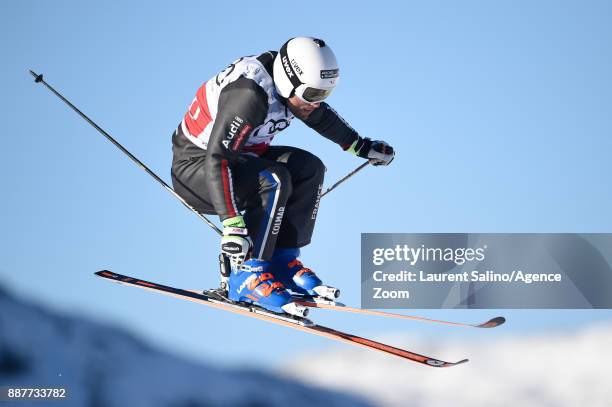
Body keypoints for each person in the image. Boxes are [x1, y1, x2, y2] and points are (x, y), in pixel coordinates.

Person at [171, 37, 394, 315]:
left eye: (325, 94)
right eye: (313, 95)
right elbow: (218, 159)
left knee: (309, 168)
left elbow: (321, 118)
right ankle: (247, 275)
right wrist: (232, 224)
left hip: (240, 159)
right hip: (197, 168)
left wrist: (361, 146)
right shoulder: (249, 96)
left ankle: (280, 260)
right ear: (289, 82)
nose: (317, 103)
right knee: (273, 178)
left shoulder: (291, 84)